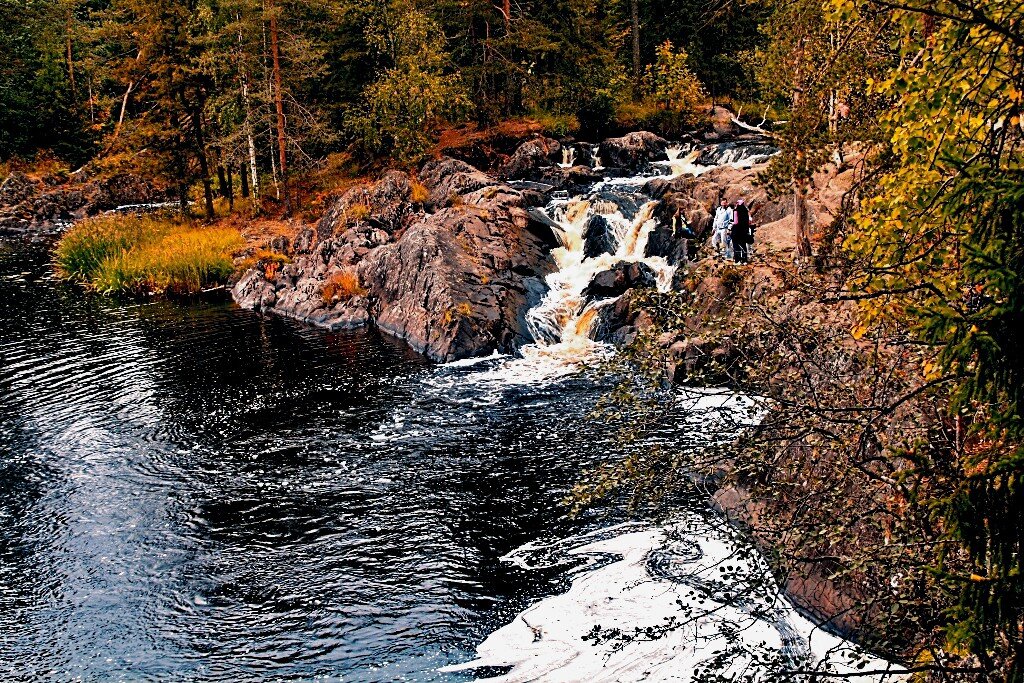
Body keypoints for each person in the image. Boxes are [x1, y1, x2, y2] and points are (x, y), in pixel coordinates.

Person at [731, 198, 752, 263]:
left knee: (736, 245)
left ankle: (737, 260)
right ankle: (744, 260)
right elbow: (749, 222)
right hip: (744, 231)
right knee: (743, 245)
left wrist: (731, 224)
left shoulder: (736, 211)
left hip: (737, 231)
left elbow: (736, 222)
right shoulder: (746, 211)